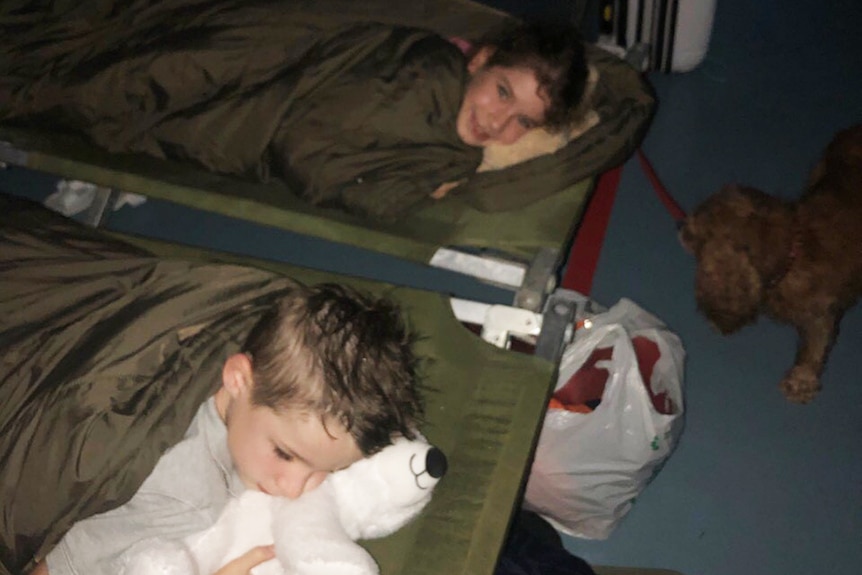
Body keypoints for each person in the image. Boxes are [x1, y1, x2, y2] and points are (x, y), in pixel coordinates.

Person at [1, 7, 589, 220]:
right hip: (233, 89)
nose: (498, 123)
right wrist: (407, 192)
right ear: (479, 60)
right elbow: (301, 151)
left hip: (244, 93)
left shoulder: (450, 122)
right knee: (92, 82)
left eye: (523, 123)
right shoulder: (427, 77)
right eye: (503, 92)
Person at [30, 282, 425, 575]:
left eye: (329, 469)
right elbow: (56, 567)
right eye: (285, 455)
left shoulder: (263, 341)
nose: (293, 488)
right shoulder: (178, 491)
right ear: (237, 378)